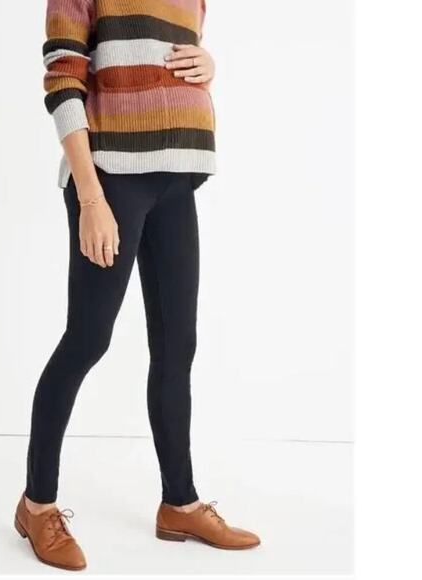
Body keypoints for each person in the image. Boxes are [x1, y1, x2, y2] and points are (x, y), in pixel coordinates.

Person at [14, 0, 260, 571]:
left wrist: (207, 65)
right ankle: (36, 504)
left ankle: (180, 503)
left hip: (176, 177)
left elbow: (163, 57)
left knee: (177, 346)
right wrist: (90, 197)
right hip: (111, 179)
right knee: (87, 340)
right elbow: (63, 80)